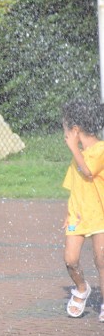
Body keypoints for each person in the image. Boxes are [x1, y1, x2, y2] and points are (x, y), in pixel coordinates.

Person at [60, 100, 104, 321]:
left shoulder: (101, 149)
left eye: (67, 130)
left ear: (76, 130)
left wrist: (73, 148)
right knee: (70, 259)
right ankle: (81, 288)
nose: (65, 135)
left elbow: (87, 172)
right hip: (78, 214)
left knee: (101, 260)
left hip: (101, 215)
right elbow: (75, 186)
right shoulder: (76, 156)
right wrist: (69, 213)